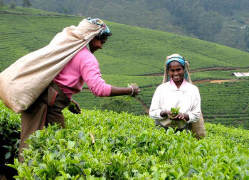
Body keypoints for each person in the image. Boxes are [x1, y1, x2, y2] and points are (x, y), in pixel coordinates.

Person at [19, 18, 140, 161]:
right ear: (91, 37)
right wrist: (129, 90)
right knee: (44, 146)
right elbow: (99, 89)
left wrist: (68, 100)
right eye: (101, 41)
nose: (101, 46)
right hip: (45, 103)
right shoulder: (86, 58)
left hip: (40, 94)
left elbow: (60, 78)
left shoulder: (67, 46)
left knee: (37, 141)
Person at [149, 54, 201, 133]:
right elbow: (152, 112)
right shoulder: (161, 89)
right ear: (168, 71)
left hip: (183, 131)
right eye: (172, 70)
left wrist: (184, 116)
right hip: (161, 130)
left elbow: (196, 114)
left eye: (178, 69)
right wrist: (164, 113)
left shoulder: (193, 90)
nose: (176, 73)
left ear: (184, 69)